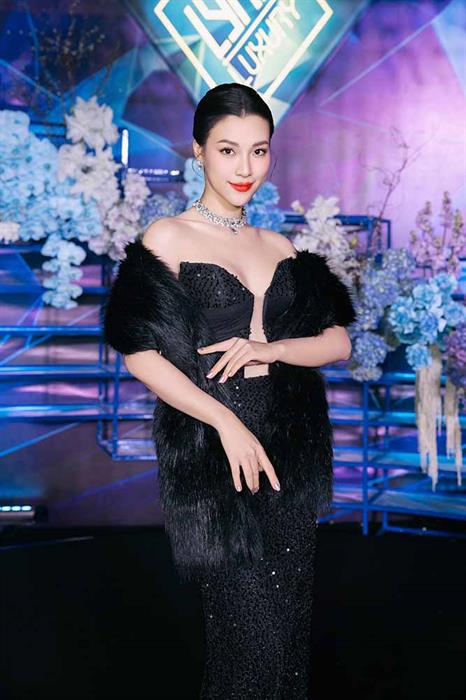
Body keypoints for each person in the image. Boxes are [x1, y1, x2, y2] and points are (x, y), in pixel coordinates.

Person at [103, 82, 356, 698]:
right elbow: (139, 353)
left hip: (288, 451)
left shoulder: (280, 246)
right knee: (247, 637)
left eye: (258, 151)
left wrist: (273, 349)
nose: (245, 168)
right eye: (227, 150)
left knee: (288, 634)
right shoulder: (168, 237)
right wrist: (224, 422)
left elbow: (339, 341)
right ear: (198, 152)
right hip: (217, 452)